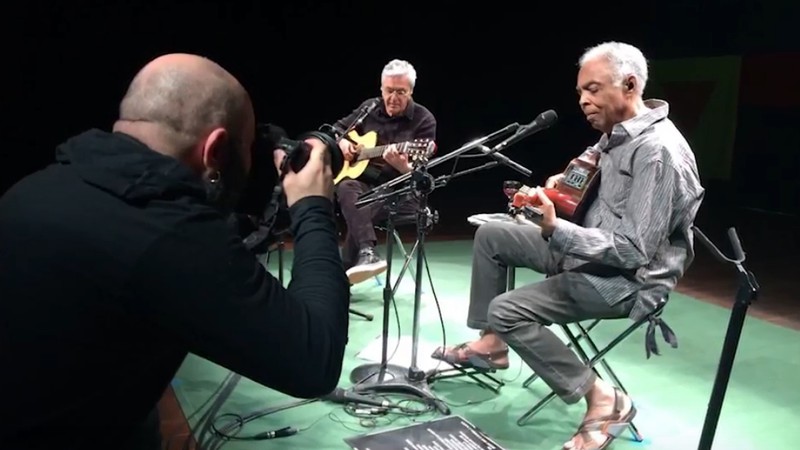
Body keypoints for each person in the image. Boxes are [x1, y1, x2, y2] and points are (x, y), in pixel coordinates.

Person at [0, 53, 350, 450]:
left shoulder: (32, 189)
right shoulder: (167, 232)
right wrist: (313, 206)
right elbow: (314, 361)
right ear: (214, 150)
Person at [431, 42, 705, 450]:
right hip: (588, 251)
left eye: (592, 90)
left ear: (629, 85)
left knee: (506, 309)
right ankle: (492, 345)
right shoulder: (618, 132)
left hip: (625, 281)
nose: (583, 101)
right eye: (580, 92)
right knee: (492, 235)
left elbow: (632, 251)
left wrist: (554, 228)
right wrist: (555, 189)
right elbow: (585, 166)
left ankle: (605, 398)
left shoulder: (657, 153)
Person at [334, 59, 437, 285]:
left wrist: (403, 168)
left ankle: (344, 275)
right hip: (365, 185)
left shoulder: (424, 119)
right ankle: (366, 254)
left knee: (360, 205)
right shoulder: (369, 108)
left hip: (400, 192)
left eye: (401, 92)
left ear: (411, 91)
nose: (393, 97)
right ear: (381, 88)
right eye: (389, 91)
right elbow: (338, 130)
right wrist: (342, 144)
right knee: (346, 186)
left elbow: (422, 179)